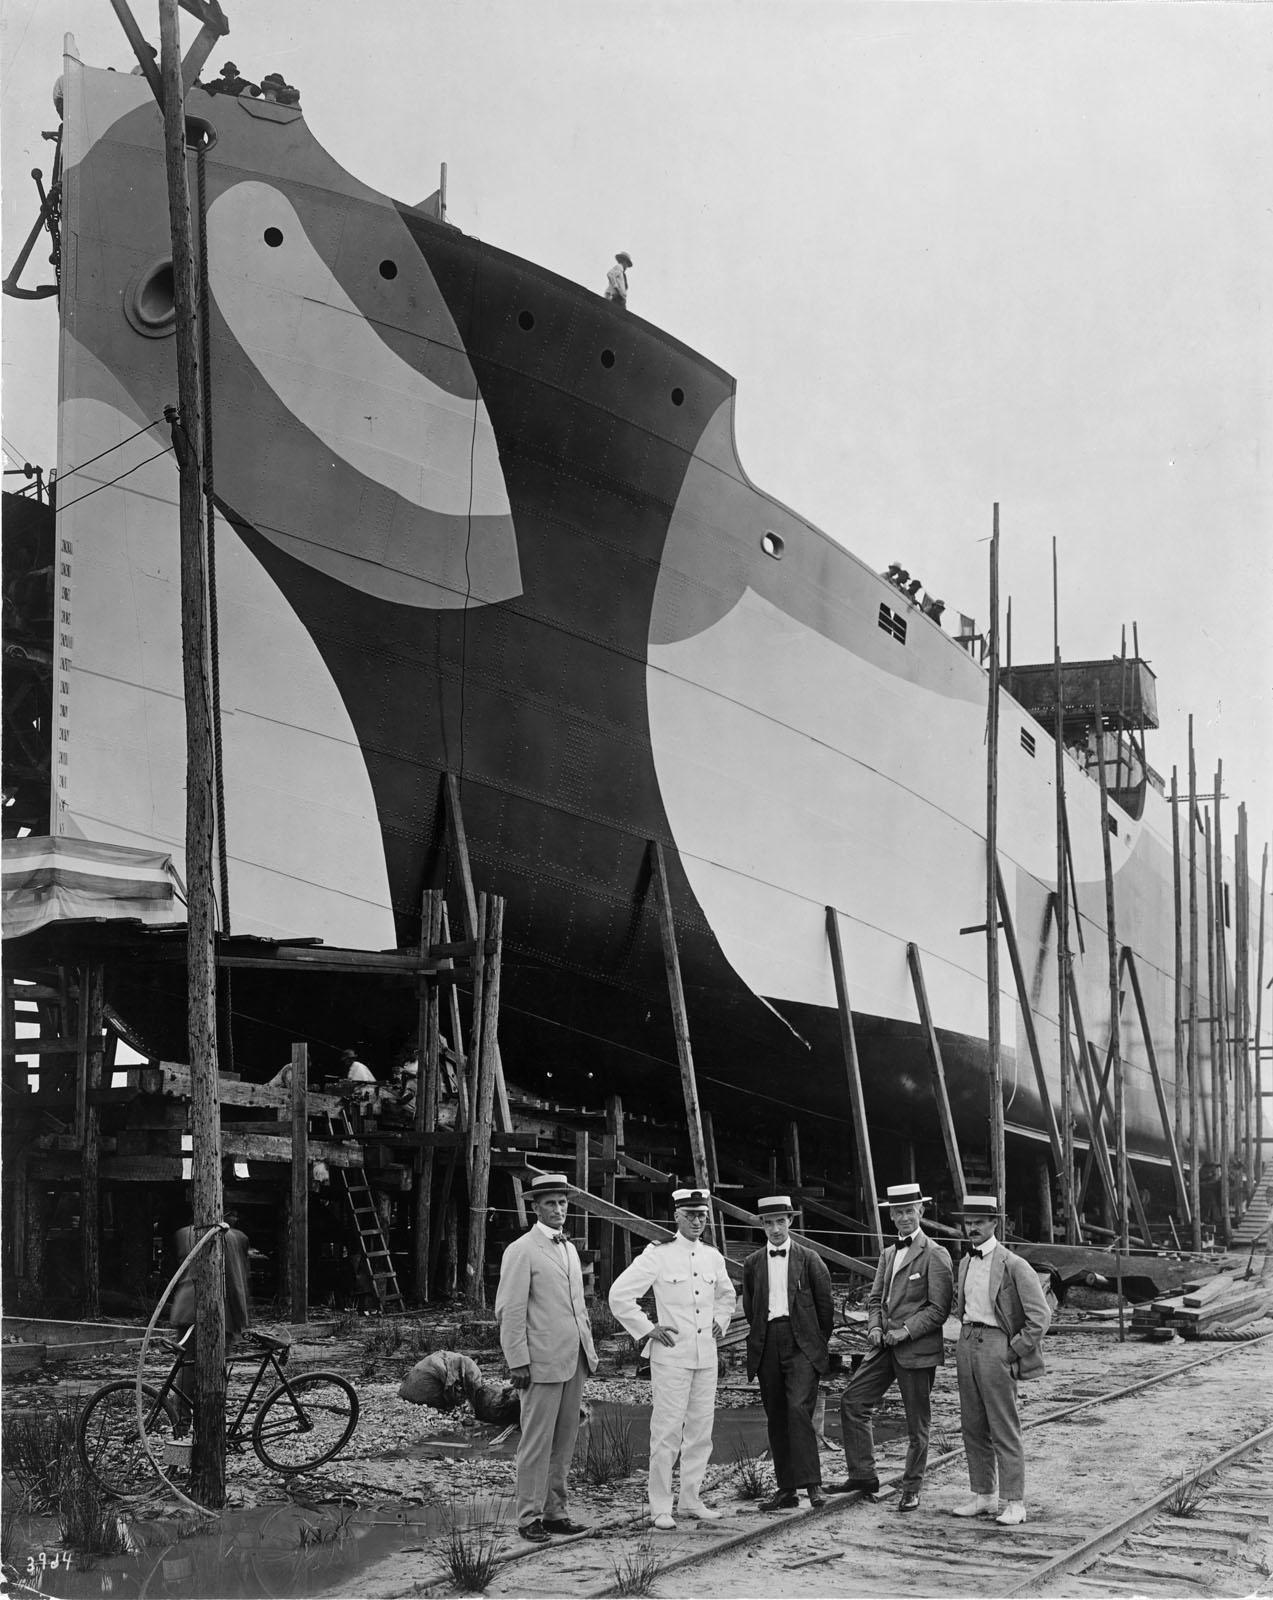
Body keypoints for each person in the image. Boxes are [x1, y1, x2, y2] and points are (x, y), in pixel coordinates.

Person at [608, 1186, 737, 1530]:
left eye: (702, 1215)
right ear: (676, 1216)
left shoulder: (712, 1256)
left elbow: (727, 1295)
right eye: (690, 1215)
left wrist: (720, 1320)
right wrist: (647, 1328)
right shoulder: (658, 1254)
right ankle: (660, 1506)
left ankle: (691, 1499)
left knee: (700, 1431)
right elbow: (619, 1295)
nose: (697, 1221)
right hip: (671, 1357)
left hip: (705, 1356)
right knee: (666, 1432)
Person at [829, 1181, 953, 1511]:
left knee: (917, 1424)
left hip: (916, 1350)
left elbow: (939, 1309)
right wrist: (874, 1327)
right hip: (883, 1347)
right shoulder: (888, 1254)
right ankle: (863, 1475)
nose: (904, 1218)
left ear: (921, 1211)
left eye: (909, 1211)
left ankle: (911, 1488)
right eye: (898, 1213)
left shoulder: (935, 1254)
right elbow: (875, 1300)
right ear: (891, 1216)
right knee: (853, 1401)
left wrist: (906, 1331)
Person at [494, 1172, 598, 1543]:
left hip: (574, 1359)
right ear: (535, 1207)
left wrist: (588, 1350)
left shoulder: (569, 1248)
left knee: (564, 1441)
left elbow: (577, 1306)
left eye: (563, 1202)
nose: (558, 1209)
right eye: (550, 1203)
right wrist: (518, 1361)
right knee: (536, 1442)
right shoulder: (522, 1250)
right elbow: (509, 1310)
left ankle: (556, 1512)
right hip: (539, 1362)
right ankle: (529, 1517)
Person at [950, 1195, 1052, 1527]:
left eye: (979, 1222)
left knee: (1003, 1426)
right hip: (967, 1341)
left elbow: (1040, 1316)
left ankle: (1015, 1502)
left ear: (995, 1223)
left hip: (997, 1344)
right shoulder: (965, 1262)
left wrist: (1012, 1350)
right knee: (972, 1424)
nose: (972, 1228)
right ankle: (983, 1495)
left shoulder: (1014, 1264)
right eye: (968, 1222)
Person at [741, 1194, 834, 1511]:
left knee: (798, 1410)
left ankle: (813, 1485)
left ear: (791, 1221)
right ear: (762, 1225)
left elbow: (826, 1310)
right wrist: (764, 1338)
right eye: (769, 1223)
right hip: (768, 1342)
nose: (776, 1229)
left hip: (802, 1345)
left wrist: (814, 1344)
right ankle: (786, 1489)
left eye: (781, 1221)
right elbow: (751, 1308)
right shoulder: (753, 1263)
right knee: (777, 1414)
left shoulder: (810, 1259)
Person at [168, 1214, 251, 1427]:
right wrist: (242, 1319)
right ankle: (206, 1423)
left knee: (187, 1367)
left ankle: (184, 1422)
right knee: (214, 1369)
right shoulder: (233, 1237)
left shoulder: (185, 1233)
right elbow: (236, 1281)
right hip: (217, 1310)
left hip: (186, 1308)